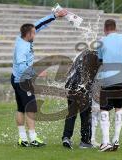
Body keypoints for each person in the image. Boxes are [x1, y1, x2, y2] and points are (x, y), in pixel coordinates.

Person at [11, 9, 68, 147]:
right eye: (34, 33)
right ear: (28, 34)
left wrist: (55, 16)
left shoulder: (23, 36)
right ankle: (33, 138)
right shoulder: (22, 48)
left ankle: (22, 139)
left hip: (16, 79)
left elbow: (40, 24)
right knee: (31, 108)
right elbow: (21, 66)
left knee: (20, 108)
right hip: (22, 81)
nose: (36, 34)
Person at [97, 19, 122, 152]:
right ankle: (116, 139)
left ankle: (105, 142)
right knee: (119, 108)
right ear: (115, 28)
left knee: (104, 109)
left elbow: (100, 60)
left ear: (105, 29)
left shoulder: (101, 40)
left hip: (108, 78)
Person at [62, 50, 100, 149]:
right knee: (86, 114)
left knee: (71, 114)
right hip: (82, 89)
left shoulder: (79, 59)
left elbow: (69, 76)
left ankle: (66, 137)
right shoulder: (94, 60)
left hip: (71, 87)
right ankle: (85, 141)